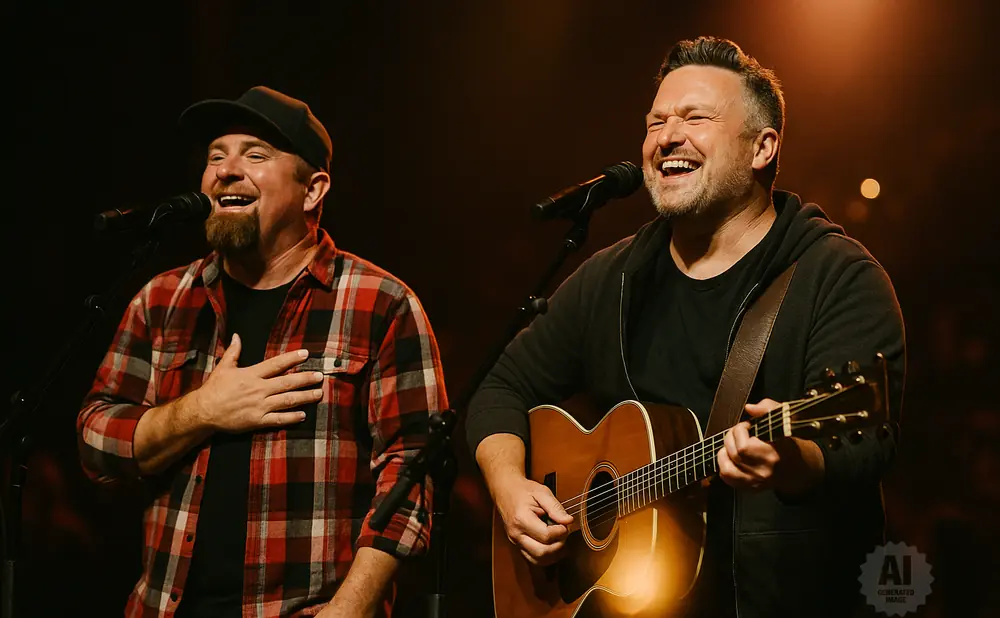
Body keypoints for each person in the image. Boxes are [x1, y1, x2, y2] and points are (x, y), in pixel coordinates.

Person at [466, 36, 905, 618]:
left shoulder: (839, 278)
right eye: (655, 122)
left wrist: (792, 461)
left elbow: (862, 444)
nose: (667, 137)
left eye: (695, 118)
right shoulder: (615, 277)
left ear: (762, 147)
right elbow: (498, 386)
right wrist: (509, 488)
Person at [77, 86, 448, 618]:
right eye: (215, 156)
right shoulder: (162, 300)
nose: (227, 170)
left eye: (255, 155)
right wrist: (201, 411)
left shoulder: (380, 304)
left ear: (312, 190)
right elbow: (95, 442)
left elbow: (413, 473)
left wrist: (351, 608)